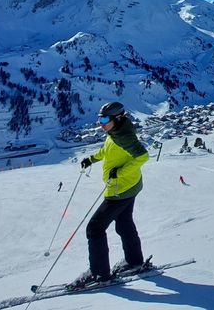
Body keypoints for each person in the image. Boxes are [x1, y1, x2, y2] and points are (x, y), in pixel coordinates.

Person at [72, 102, 150, 288]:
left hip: (119, 190)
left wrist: (119, 173)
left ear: (117, 118)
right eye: (99, 119)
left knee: (94, 229)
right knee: (124, 223)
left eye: (105, 119)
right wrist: (92, 159)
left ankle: (100, 274)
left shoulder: (124, 137)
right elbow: (108, 150)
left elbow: (143, 156)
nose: (101, 123)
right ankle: (134, 261)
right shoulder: (116, 132)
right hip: (130, 186)